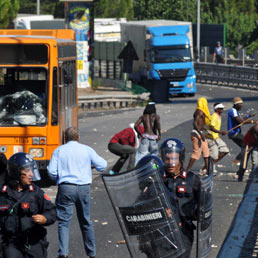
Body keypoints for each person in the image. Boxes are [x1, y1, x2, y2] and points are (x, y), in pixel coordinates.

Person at [47, 126, 107, 258]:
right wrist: (90, 166)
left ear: (64, 138)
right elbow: (102, 165)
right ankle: (91, 252)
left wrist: (59, 178)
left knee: (64, 221)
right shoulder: (86, 149)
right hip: (84, 187)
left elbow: (51, 171)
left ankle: (63, 252)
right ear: (78, 138)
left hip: (66, 187)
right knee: (85, 220)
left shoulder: (59, 150)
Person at [0, 152, 56, 258]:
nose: (31, 174)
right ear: (16, 173)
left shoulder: (35, 192)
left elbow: (52, 211)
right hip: (12, 243)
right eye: (27, 170)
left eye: (31, 170)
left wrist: (45, 218)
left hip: (34, 241)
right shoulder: (3, 193)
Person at [160, 138, 201, 258]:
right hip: (161, 233)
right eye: (167, 159)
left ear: (180, 158)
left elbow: (203, 206)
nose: (170, 163)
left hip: (183, 232)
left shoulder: (192, 179)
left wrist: (194, 213)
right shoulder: (156, 179)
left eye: (174, 159)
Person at [227, 97, 256, 166]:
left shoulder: (235, 111)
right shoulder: (232, 111)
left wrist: (249, 116)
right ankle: (237, 160)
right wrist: (252, 121)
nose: (242, 106)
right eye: (240, 104)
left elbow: (241, 119)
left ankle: (241, 164)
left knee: (246, 147)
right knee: (248, 145)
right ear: (236, 104)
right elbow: (240, 121)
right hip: (234, 133)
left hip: (236, 133)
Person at [186, 97, 210, 174]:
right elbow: (195, 123)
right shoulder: (199, 112)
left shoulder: (202, 112)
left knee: (206, 153)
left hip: (201, 133)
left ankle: (209, 171)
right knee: (196, 153)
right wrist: (200, 133)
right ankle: (187, 170)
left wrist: (205, 129)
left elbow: (200, 124)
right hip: (197, 134)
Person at [206, 103, 229, 172]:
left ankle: (209, 166)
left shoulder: (219, 116)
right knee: (214, 155)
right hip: (211, 138)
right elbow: (211, 127)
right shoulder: (214, 116)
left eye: (222, 108)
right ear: (216, 109)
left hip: (216, 137)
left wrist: (219, 134)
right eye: (220, 108)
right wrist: (220, 132)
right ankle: (210, 168)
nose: (222, 110)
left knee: (225, 151)